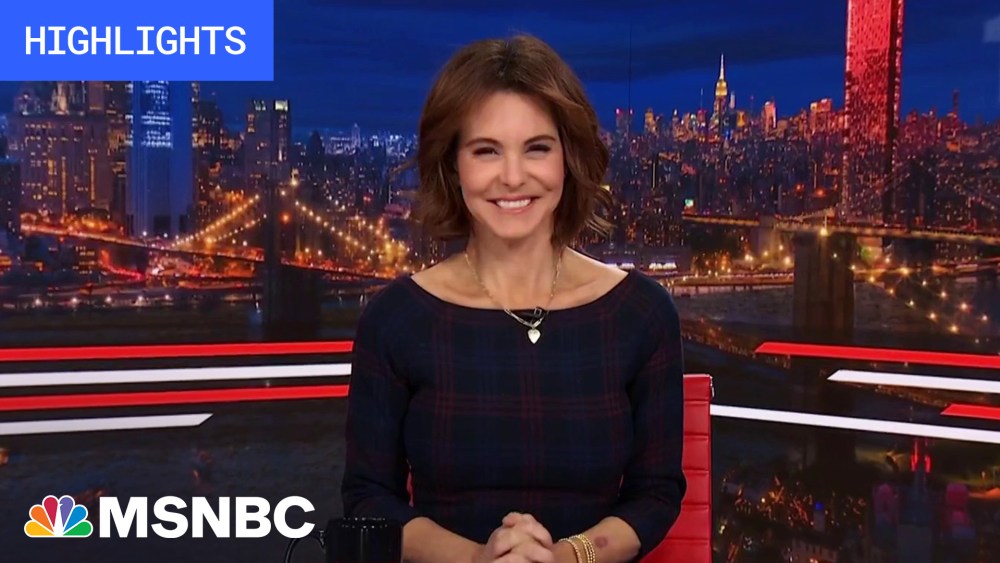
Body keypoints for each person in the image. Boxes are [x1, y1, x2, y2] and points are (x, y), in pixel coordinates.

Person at [341, 34, 686, 563]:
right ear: (453, 166)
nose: (512, 177)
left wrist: (566, 557)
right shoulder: (396, 319)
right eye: (486, 151)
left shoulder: (640, 313)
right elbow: (368, 500)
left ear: (568, 159)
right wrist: (479, 560)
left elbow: (656, 495)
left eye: (537, 148)